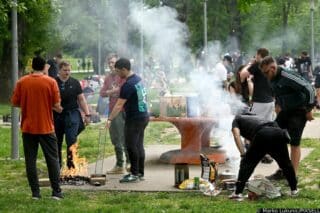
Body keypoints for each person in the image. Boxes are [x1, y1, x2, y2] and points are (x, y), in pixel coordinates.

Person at [11, 56, 63, 200]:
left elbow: (15, 103)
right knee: (52, 159)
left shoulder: (22, 82)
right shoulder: (51, 82)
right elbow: (57, 105)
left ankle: (35, 193)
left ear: (32, 66)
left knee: (30, 161)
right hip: (46, 127)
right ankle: (56, 192)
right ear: (44, 66)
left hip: (28, 127)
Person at [260, 56, 315, 179]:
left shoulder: (287, 75)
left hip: (299, 111)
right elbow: (278, 92)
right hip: (286, 111)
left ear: (273, 68)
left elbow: (309, 88)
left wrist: (309, 109)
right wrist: (278, 104)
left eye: (266, 72)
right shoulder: (272, 77)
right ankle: (283, 170)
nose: (265, 75)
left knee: (294, 143)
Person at [229, 114, 298, 200]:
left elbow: (236, 136)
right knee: (286, 163)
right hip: (279, 132)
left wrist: (243, 154)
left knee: (247, 163)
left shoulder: (236, 120)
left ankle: (237, 193)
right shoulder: (254, 117)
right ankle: (294, 190)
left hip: (262, 134)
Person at [106, 58, 149, 183]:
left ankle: (134, 174)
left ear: (124, 69)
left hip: (134, 118)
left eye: (118, 71)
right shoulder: (138, 79)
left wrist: (109, 119)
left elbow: (119, 105)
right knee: (139, 145)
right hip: (143, 116)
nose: (118, 74)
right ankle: (140, 173)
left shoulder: (128, 85)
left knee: (131, 146)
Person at [239, 48, 274, 164]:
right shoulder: (270, 64)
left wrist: (250, 63)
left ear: (259, 55)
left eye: (256, 55)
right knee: (267, 127)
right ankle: (267, 154)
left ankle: (253, 154)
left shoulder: (258, 64)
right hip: (270, 101)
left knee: (252, 127)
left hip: (259, 102)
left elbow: (242, 75)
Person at [53, 61, 91, 169]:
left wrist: (87, 114)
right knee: (56, 142)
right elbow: (46, 100)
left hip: (72, 113)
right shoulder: (53, 82)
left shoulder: (75, 82)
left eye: (69, 70)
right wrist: (54, 107)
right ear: (59, 70)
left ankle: (71, 166)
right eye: (65, 70)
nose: (67, 72)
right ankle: (57, 167)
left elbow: (81, 99)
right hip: (57, 115)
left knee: (71, 140)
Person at [100, 54, 130, 174]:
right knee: (116, 138)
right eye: (109, 63)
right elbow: (102, 93)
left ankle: (129, 162)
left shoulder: (123, 76)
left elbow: (124, 89)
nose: (111, 65)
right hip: (113, 111)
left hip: (124, 109)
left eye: (113, 62)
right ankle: (119, 164)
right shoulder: (108, 78)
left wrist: (111, 91)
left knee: (126, 137)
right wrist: (111, 92)